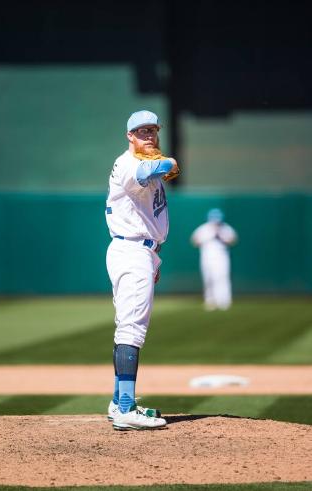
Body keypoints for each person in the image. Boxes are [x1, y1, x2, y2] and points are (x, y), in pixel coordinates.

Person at [105, 110, 180, 430]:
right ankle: (125, 408)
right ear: (129, 135)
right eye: (141, 131)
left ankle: (117, 401)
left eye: (152, 130)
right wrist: (168, 163)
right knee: (131, 330)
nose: (148, 135)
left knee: (128, 325)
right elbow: (151, 170)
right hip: (131, 249)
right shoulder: (127, 163)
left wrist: (154, 259)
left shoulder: (139, 160)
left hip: (143, 252)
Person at [190, 208, 238, 311]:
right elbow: (194, 240)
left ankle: (224, 301)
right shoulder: (204, 229)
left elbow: (233, 239)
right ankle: (210, 301)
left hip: (222, 257)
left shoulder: (226, 228)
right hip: (207, 257)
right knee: (208, 278)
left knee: (222, 278)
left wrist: (222, 237)